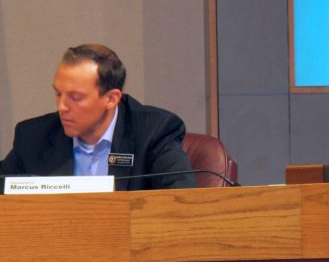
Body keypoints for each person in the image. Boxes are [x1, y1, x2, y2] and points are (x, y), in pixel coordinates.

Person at [0, 44, 196, 191]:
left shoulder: (153, 131)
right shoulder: (34, 136)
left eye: (75, 97)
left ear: (111, 98)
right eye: (58, 94)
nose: (62, 107)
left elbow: (180, 201)